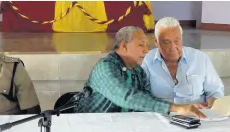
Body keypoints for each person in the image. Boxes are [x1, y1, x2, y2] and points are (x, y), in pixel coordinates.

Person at [75, 26, 206, 118]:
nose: (146, 50)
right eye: (141, 45)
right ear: (124, 46)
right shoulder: (105, 67)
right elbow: (126, 97)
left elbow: (148, 100)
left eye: (147, 46)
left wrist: (184, 103)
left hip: (120, 129)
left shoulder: (138, 71)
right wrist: (175, 108)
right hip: (89, 127)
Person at [142, 17, 224, 106]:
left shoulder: (200, 58)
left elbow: (216, 92)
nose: (173, 47)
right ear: (156, 42)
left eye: (177, 41)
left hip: (196, 115)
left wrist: (211, 102)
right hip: (162, 114)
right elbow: (141, 98)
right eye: (167, 42)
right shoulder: (146, 61)